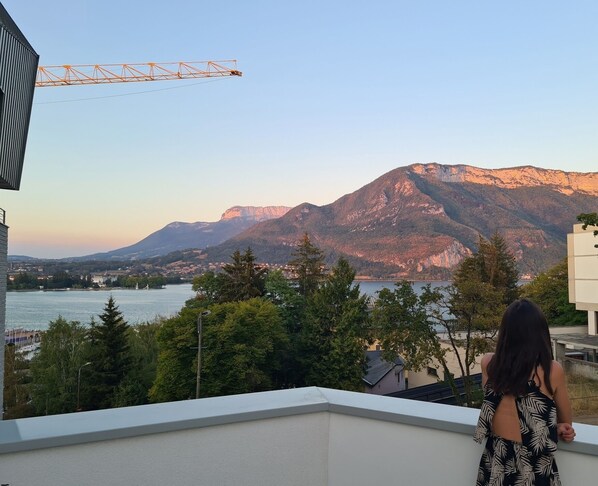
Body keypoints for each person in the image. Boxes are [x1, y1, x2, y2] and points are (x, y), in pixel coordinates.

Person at [473, 299, 575, 486]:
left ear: (505, 333)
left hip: (496, 461)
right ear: (540, 333)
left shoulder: (489, 364)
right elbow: (566, 419)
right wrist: (560, 426)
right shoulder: (551, 370)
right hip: (534, 466)